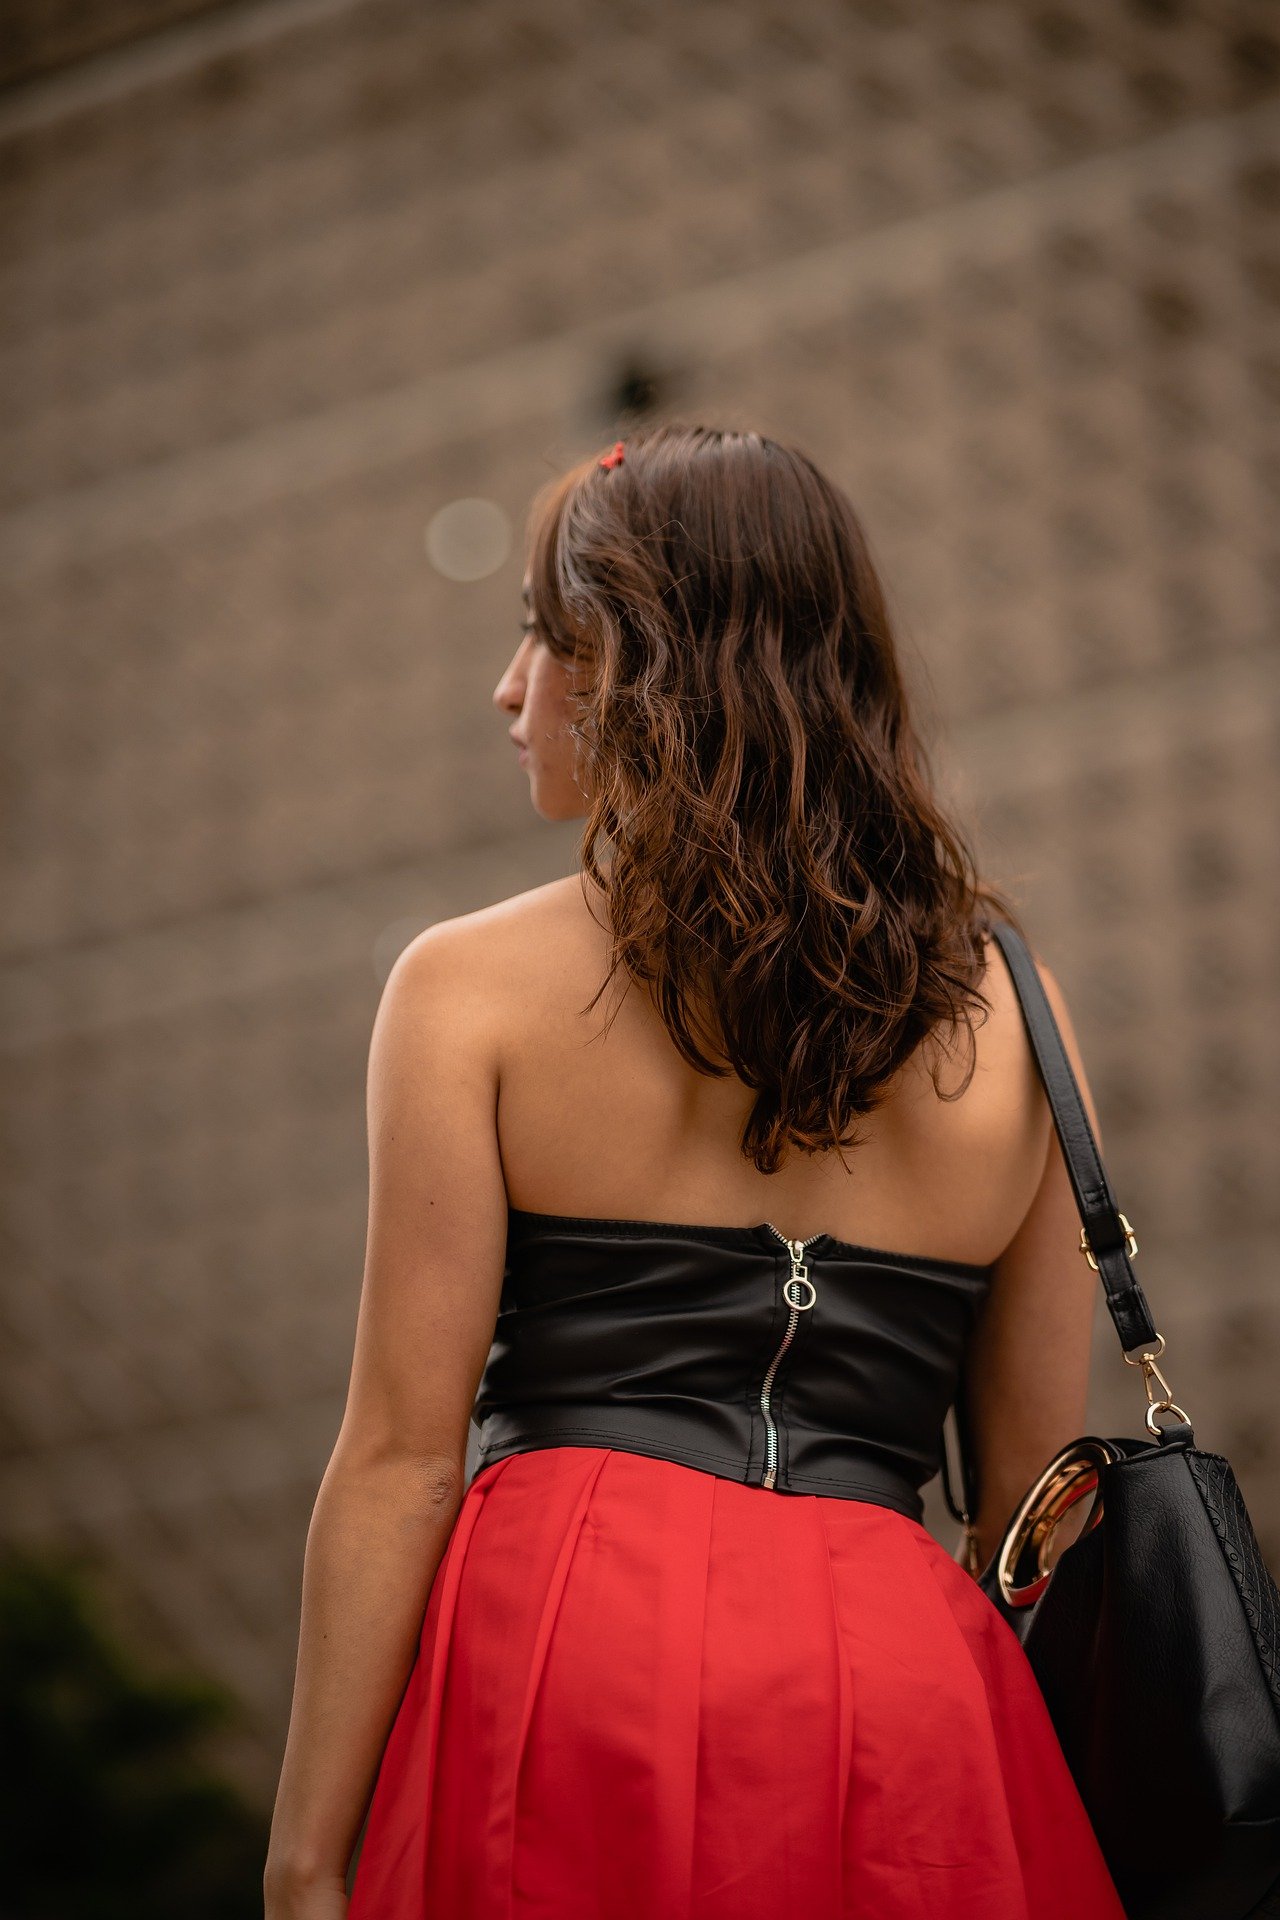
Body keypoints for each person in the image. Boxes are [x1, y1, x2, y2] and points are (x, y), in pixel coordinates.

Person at [264, 423, 1128, 1918]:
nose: (510, 687)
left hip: (561, 1656)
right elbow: (1026, 1509)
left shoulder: (465, 989)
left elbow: (401, 1458)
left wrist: (305, 1859)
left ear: (637, 667)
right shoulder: (1018, 1017)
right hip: (907, 1696)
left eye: (543, 634)